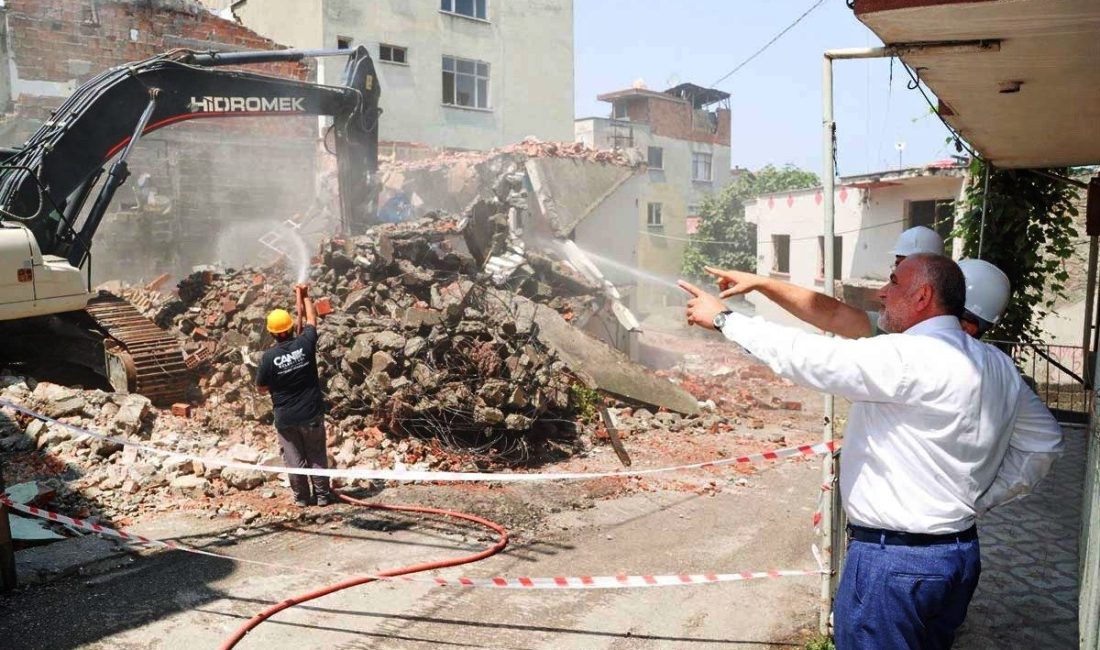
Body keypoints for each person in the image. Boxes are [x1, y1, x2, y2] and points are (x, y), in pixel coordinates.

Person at [679, 254, 1063, 649]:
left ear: (923, 296)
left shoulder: (906, 357)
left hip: (894, 564)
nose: (882, 292)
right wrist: (980, 499)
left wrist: (727, 320)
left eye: (894, 281)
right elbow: (1044, 443)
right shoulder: (998, 365)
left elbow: (811, 357)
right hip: (957, 556)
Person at [256, 284, 334, 507]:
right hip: (311, 414)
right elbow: (312, 320)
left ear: (272, 333)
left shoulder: (269, 358)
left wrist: (278, 384)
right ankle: (322, 496)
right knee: (317, 455)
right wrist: (306, 295)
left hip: (286, 418)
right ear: (291, 328)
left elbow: (261, 388)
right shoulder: (305, 343)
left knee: (294, 460)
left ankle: (301, 498)